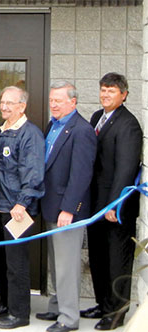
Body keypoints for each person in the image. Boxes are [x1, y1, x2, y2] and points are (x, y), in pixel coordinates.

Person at [81, 72, 142, 331]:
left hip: (115, 207)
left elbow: (126, 170)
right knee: (98, 257)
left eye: (112, 91)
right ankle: (103, 304)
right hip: (95, 203)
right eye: (103, 89)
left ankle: (116, 313)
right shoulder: (97, 117)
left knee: (117, 260)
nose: (106, 94)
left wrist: (114, 205)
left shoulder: (128, 124)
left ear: (124, 95)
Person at [0, 86, 45, 329]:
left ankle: (19, 313)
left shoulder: (30, 134)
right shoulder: (2, 130)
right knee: (0, 260)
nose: (4, 106)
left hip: (17, 210)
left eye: (10, 103)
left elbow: (34, 173)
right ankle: (5, 303)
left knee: (16, 264)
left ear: (22, 106)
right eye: (2, 101)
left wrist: (22, 202)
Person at [36, 82, 96, 332]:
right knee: (55, 263)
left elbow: (81, 175)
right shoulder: (53, 125)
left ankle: (69, 318)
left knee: (67, 265)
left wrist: (70, 208)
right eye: (51, 100)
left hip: (66, 210)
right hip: (50, 205)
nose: (53, 104)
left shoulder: (82, 130)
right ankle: (56, 306)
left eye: (59, 100)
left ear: (73, 102)